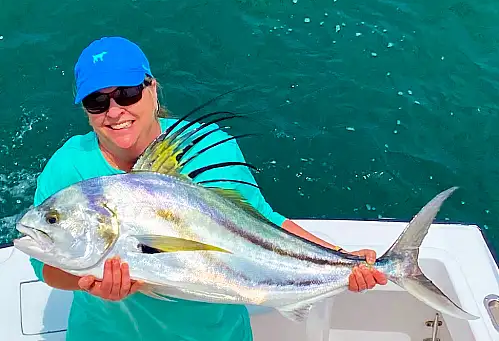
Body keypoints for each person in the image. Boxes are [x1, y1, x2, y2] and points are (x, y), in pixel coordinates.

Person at [29, 36, 387, 341]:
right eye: (98, 101)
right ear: (87, 111)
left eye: (127, 93)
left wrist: (346, 260)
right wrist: (86, 282)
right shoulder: (68, 166)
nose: (115, 110)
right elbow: (46, 267)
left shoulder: (207, 148)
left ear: (152, 89)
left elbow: (260, 223)